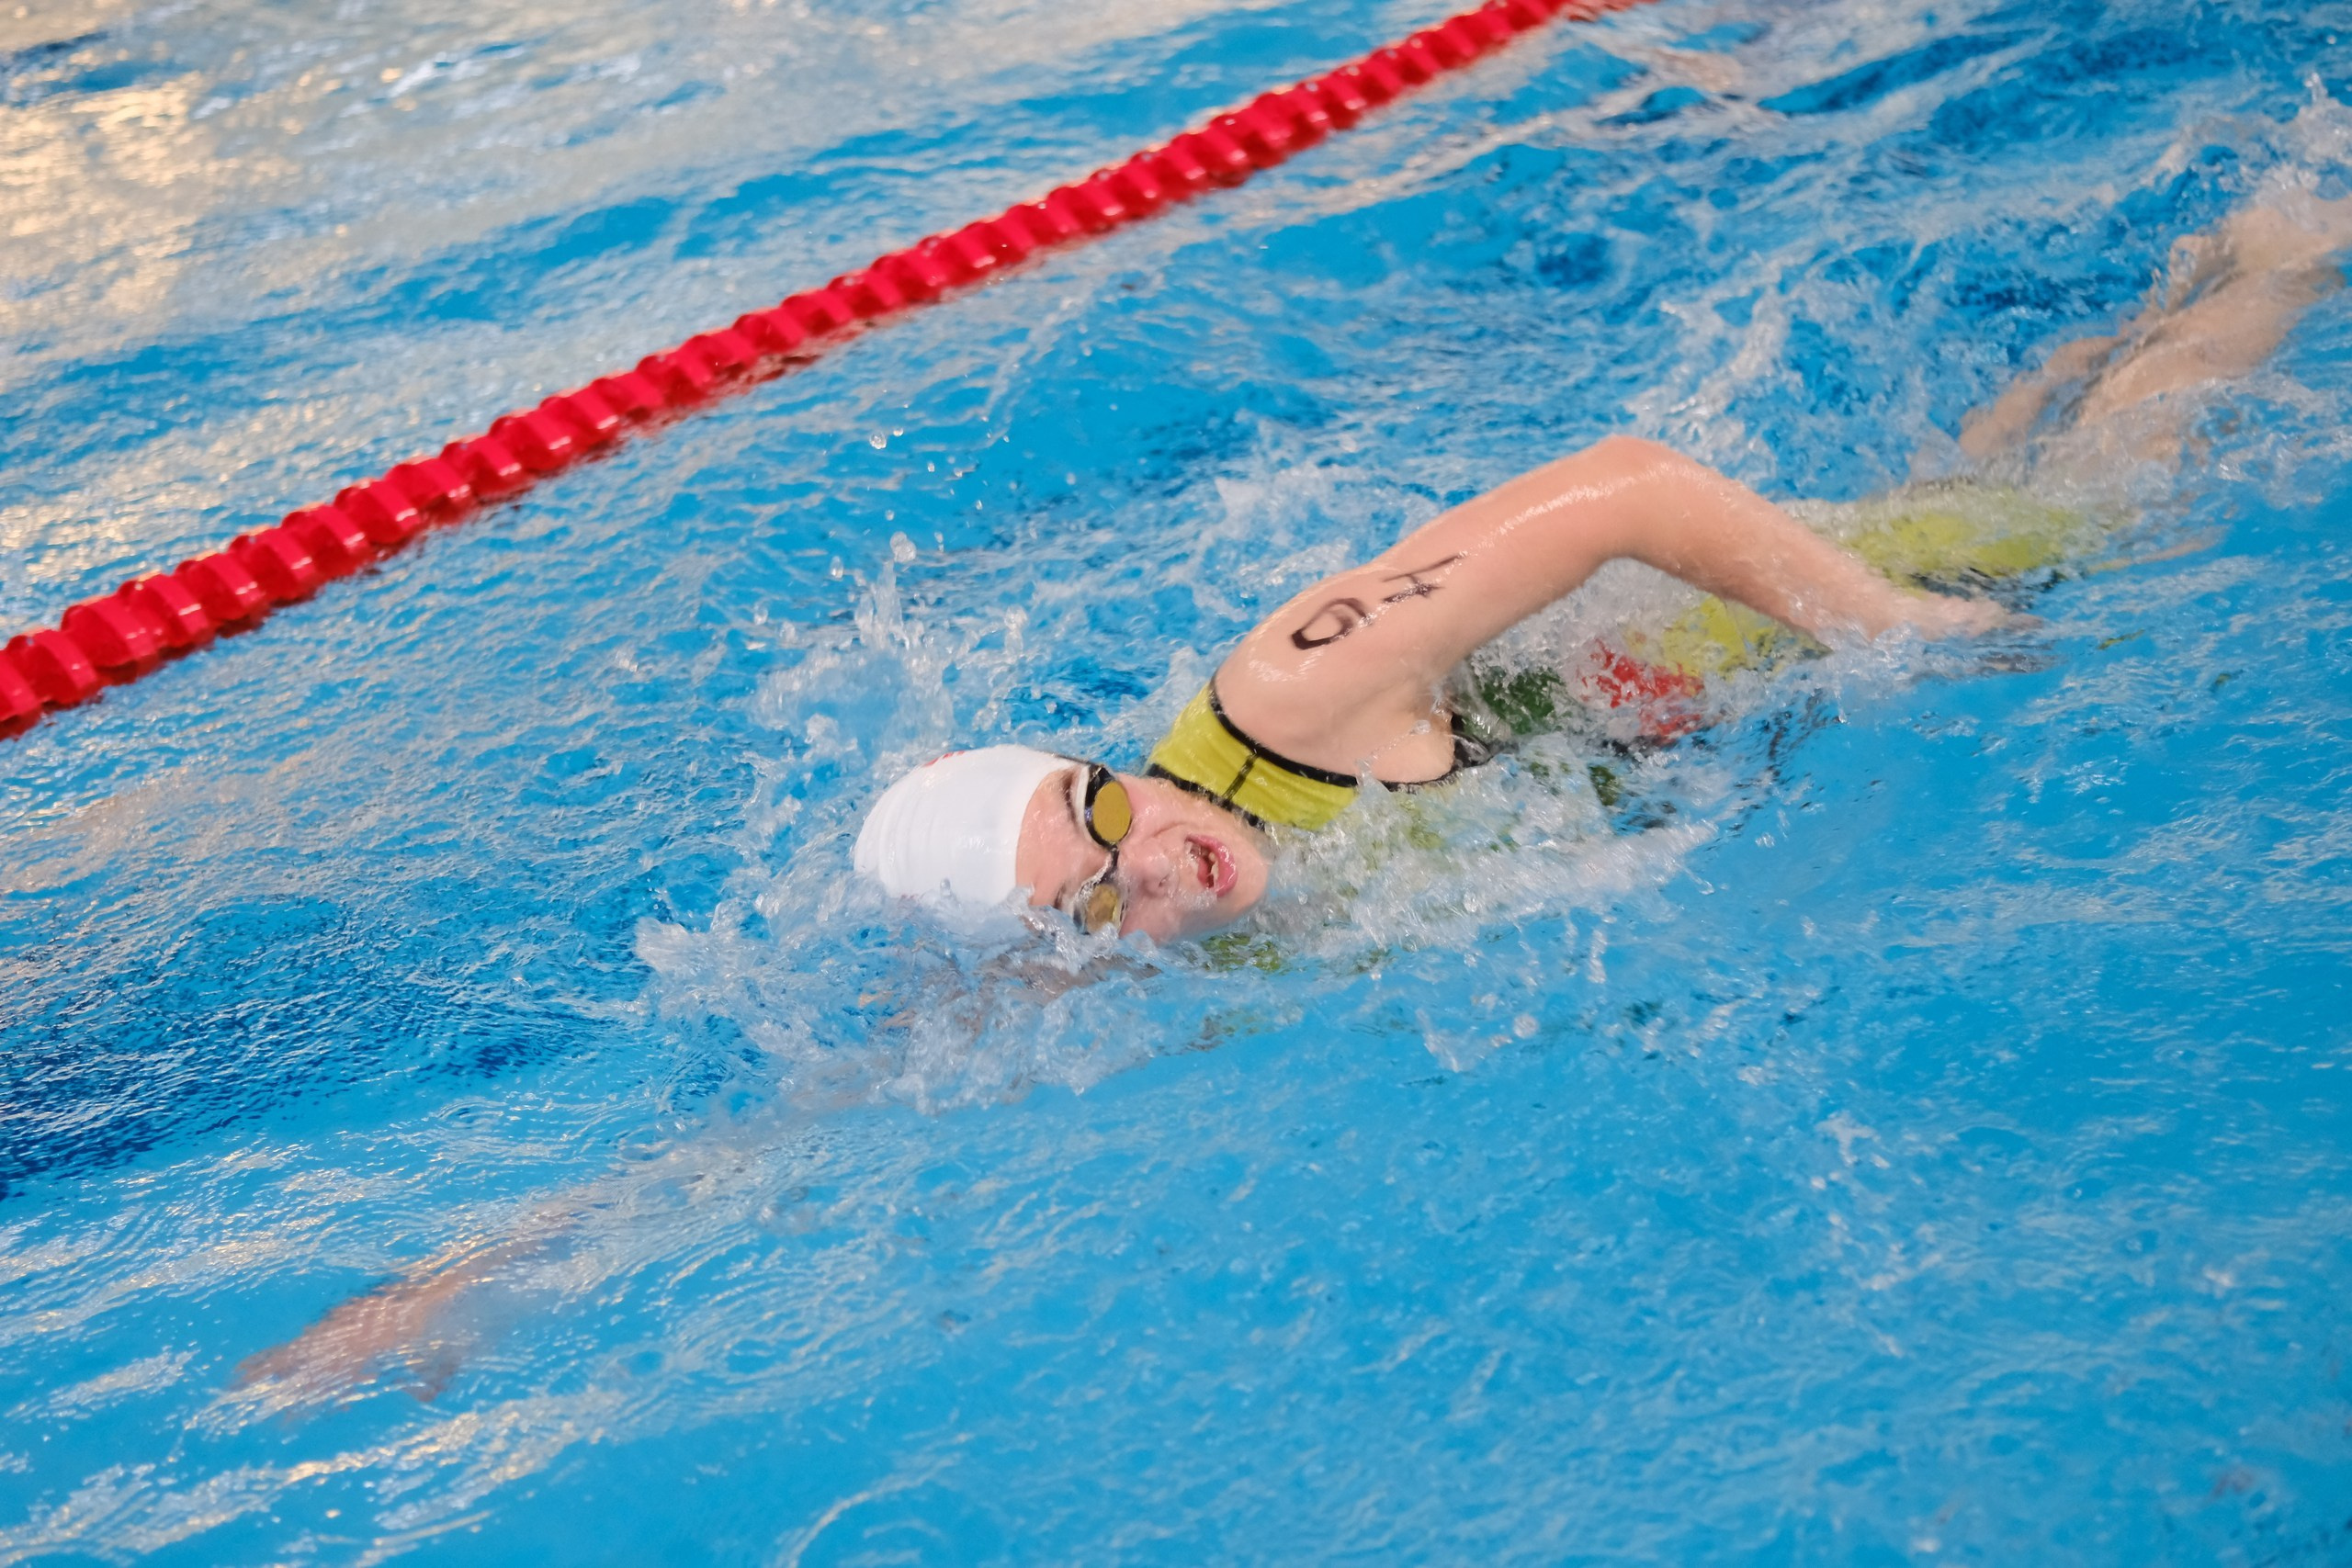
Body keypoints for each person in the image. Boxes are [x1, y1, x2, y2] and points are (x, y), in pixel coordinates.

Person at [855, 183, 2352, 946]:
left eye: (1103, 809)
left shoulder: (1286, 701)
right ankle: (2160, 306)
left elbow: (1628, 484)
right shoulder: (1199, 926)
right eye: (1095, 907)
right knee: (1994, 479)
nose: (1147, 863)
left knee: (2110, 502)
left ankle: (2294, 237)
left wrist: (1890, 628)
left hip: (1743, 627)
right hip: (1678, 711)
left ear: (1101, 765)